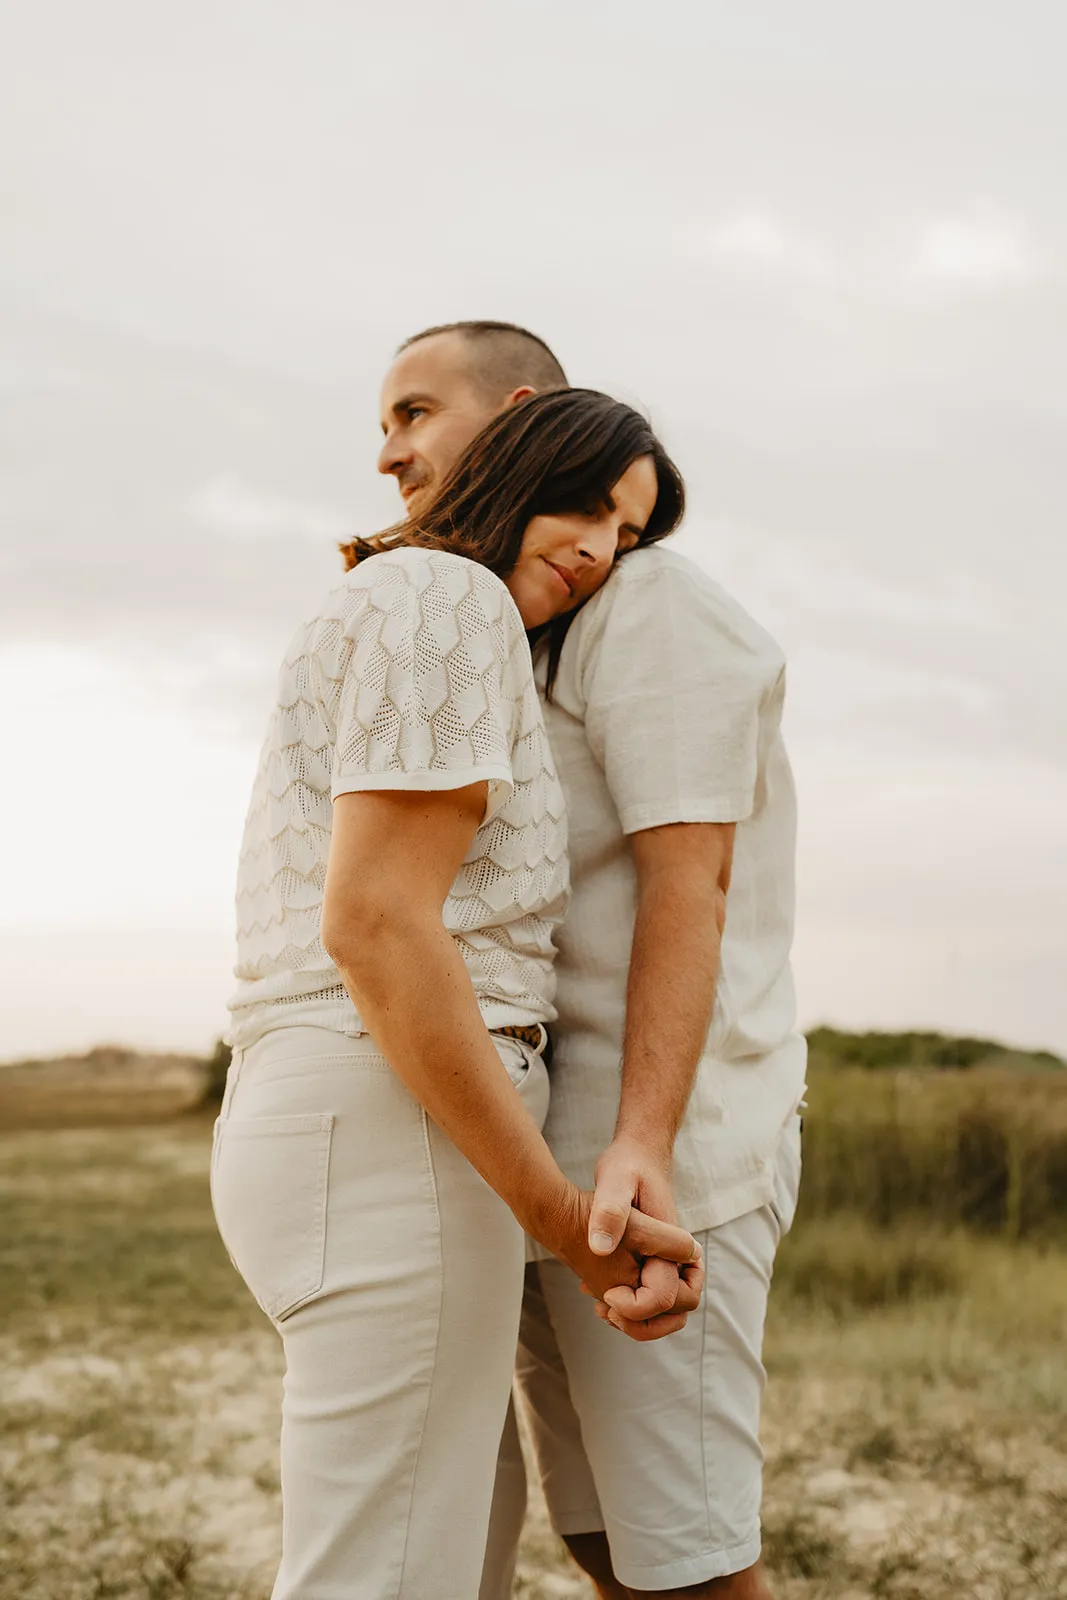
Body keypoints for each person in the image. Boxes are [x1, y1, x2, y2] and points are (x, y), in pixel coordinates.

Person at [211, 386, 702, 1600]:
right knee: (385, 1577)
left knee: (445, 1551)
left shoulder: (402, 603)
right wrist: (554, 1214)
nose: (598, 550)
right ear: (517, 459)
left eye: (627, 538)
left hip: (355, 1113)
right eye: (587, 505)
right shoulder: (445, 595)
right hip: (395, 1122)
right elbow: (376, 923)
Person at [376, 321, 807, 1600]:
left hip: (656, 1160)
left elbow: (691, 880)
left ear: (512, 409)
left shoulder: (653, 602)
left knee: (687, 1558)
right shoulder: (504, 622)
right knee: (604, 1540)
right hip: (539, 1165)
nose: (389, 451)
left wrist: (642, 1143)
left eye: (412, 412)